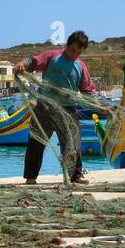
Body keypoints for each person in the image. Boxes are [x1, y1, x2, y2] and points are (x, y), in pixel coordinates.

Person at [14, 30, 95, 185]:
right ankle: (31, 177)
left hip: (68, 110)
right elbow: (33, 62)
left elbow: (88, 90)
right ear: (67, 45)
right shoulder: (52, 57)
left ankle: (76, 176)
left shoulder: (81, 66)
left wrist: (96, 103)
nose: (74, 54)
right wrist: (22, 64)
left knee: (73, 144)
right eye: (72, 50)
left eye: (78, 52)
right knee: (36, 142)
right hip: (45, 108)